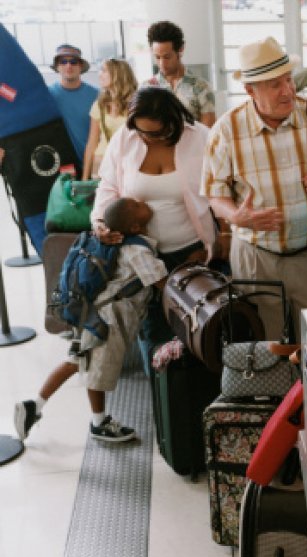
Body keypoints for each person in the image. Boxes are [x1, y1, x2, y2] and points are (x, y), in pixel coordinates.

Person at [203, 37, 307, 341]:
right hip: (256, 258)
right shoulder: (227, 131)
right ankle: (277, 391)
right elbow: (215, 193)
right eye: (275, 84)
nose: (288, 90)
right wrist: (236, 217)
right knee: (267, 345)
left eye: (289, 80)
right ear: (250, 90)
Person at [14, 197, 168, 443]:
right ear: (136, 227)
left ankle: (35, 406)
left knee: (77, 361)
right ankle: (97, 423)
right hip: (109, 319)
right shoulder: (137, 250)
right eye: (137, 206)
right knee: (95, 369)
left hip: (93, 312)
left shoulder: (122, 241)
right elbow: (162, 283)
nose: (142, 202)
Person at [93, 87, 216, 375]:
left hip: (192, 253)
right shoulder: (125, 138)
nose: (148, 138)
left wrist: (221, 238)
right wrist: (99, 221)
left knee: (198, 332)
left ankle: (196, 403)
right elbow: (108, 186)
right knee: (153, 335)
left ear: (173, 121)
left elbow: (222, 188)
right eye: (143, 132)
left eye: (157, 133)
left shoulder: (199, 137)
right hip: (140, 258)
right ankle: (164, 406)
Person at [144, 20, 216, 127]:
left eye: (167, 57)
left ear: (181, 49)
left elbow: (208, 133)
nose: (162, 63)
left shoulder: (201, 88)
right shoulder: (146, 88)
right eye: (157, 57)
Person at [82, 58, 137, 180]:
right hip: (101, 162)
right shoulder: (99, 104)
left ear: (118, 73)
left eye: (104, 70)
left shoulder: (137, 104)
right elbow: (92, 142)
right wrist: (85, 178)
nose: (99, 74)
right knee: (102, 199)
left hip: (129, 162)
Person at [48, 44, 98, 174]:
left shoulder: (97, 95)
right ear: (57, 67)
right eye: (63, 62)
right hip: (63, 166)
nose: (68, 66)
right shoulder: (48, 96)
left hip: (93, 164)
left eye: (73, 62)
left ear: (80, 66)